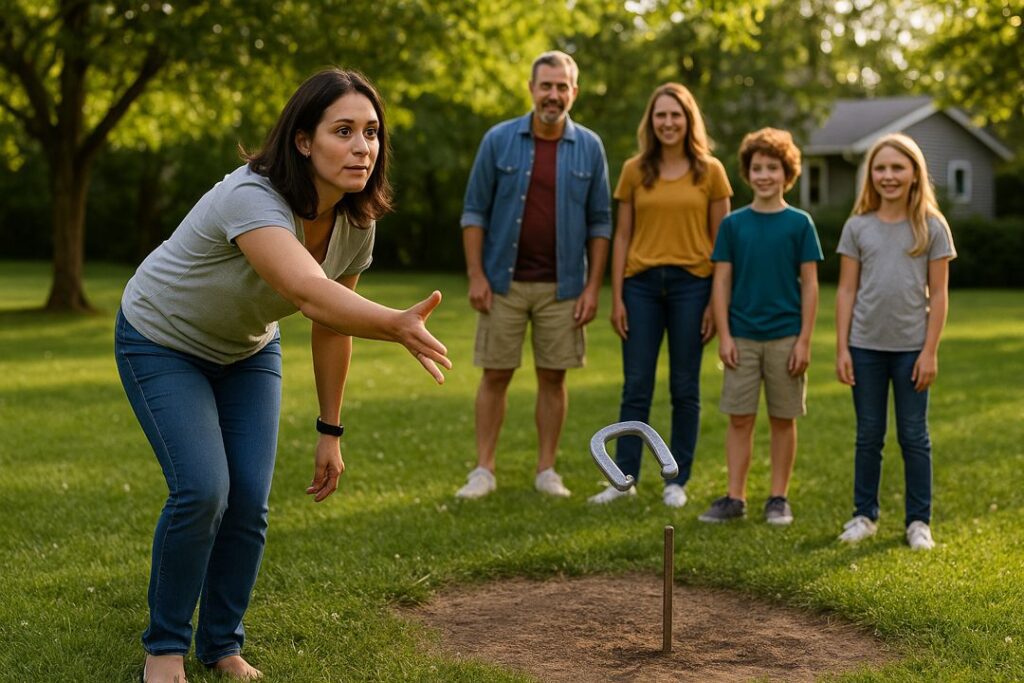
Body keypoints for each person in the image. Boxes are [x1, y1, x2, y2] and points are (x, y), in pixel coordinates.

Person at [115, 69, 451, 683]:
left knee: (248, 502)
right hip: (161, 339)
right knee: (202, 491)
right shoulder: (252, 196)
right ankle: (164, 649)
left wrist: (331, 428)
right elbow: (309, 294)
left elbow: (330, 328)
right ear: (303, 140)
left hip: (245, 351)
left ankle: (221, 645)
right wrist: (397, 324)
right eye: (343, 131)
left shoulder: (356, 222)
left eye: (371, 133)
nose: (362, 148)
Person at [455, 50, 611, 499]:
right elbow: (473, 212)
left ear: (574, 92)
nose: (553, 94)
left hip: (563, 286)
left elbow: (601, 222)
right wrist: (476, 276)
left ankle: (547, 470)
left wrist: (591, 287)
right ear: (531, 89)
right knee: (495, 374)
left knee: (553, 377)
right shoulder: (498, 140)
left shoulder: (590, 147)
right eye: (546, 86)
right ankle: (483, 469)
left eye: (562, 87)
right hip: (502, 282)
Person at [588, 82, 731, 508]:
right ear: (650, 121)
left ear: (689, 120)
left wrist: (713, 304)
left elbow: (722, 245)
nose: (668, 122)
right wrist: (617, 298)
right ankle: (624, 479)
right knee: (636, 386)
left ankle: (676, 480)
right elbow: (623, 235)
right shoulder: (635, 170)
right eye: (661, 115)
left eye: (676, 115)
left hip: (693, 286)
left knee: (685, 386)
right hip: (641, 287)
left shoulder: (712, 171)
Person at [834, 133, 956, 550]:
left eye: (897, 167)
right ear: (871, 174)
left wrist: (930, 351)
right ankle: (863, 515)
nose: (888, 175)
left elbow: (938, 294)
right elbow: (846, 291)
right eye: (880, 168)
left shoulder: (932, 227)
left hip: (911, 350)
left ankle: (918, 522)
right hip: (865, 347)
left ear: (914, 173)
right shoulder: (857, 226)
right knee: (869, 434)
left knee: (913, 436)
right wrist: (842, 348)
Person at [697, 128, 823, 525]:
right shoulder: (734, 225)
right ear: (746, 173)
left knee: (783, 418)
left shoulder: (800, 224)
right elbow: (721, 282)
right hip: (742, 337)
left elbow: (811, 285)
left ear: (787, 174)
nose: (764, 175)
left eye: (773, 167)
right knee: (740, 418)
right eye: (757, 168)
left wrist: (804, 341)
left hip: (786, 337)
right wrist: (725, 335)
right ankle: (735, 497)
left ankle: (778, 498)